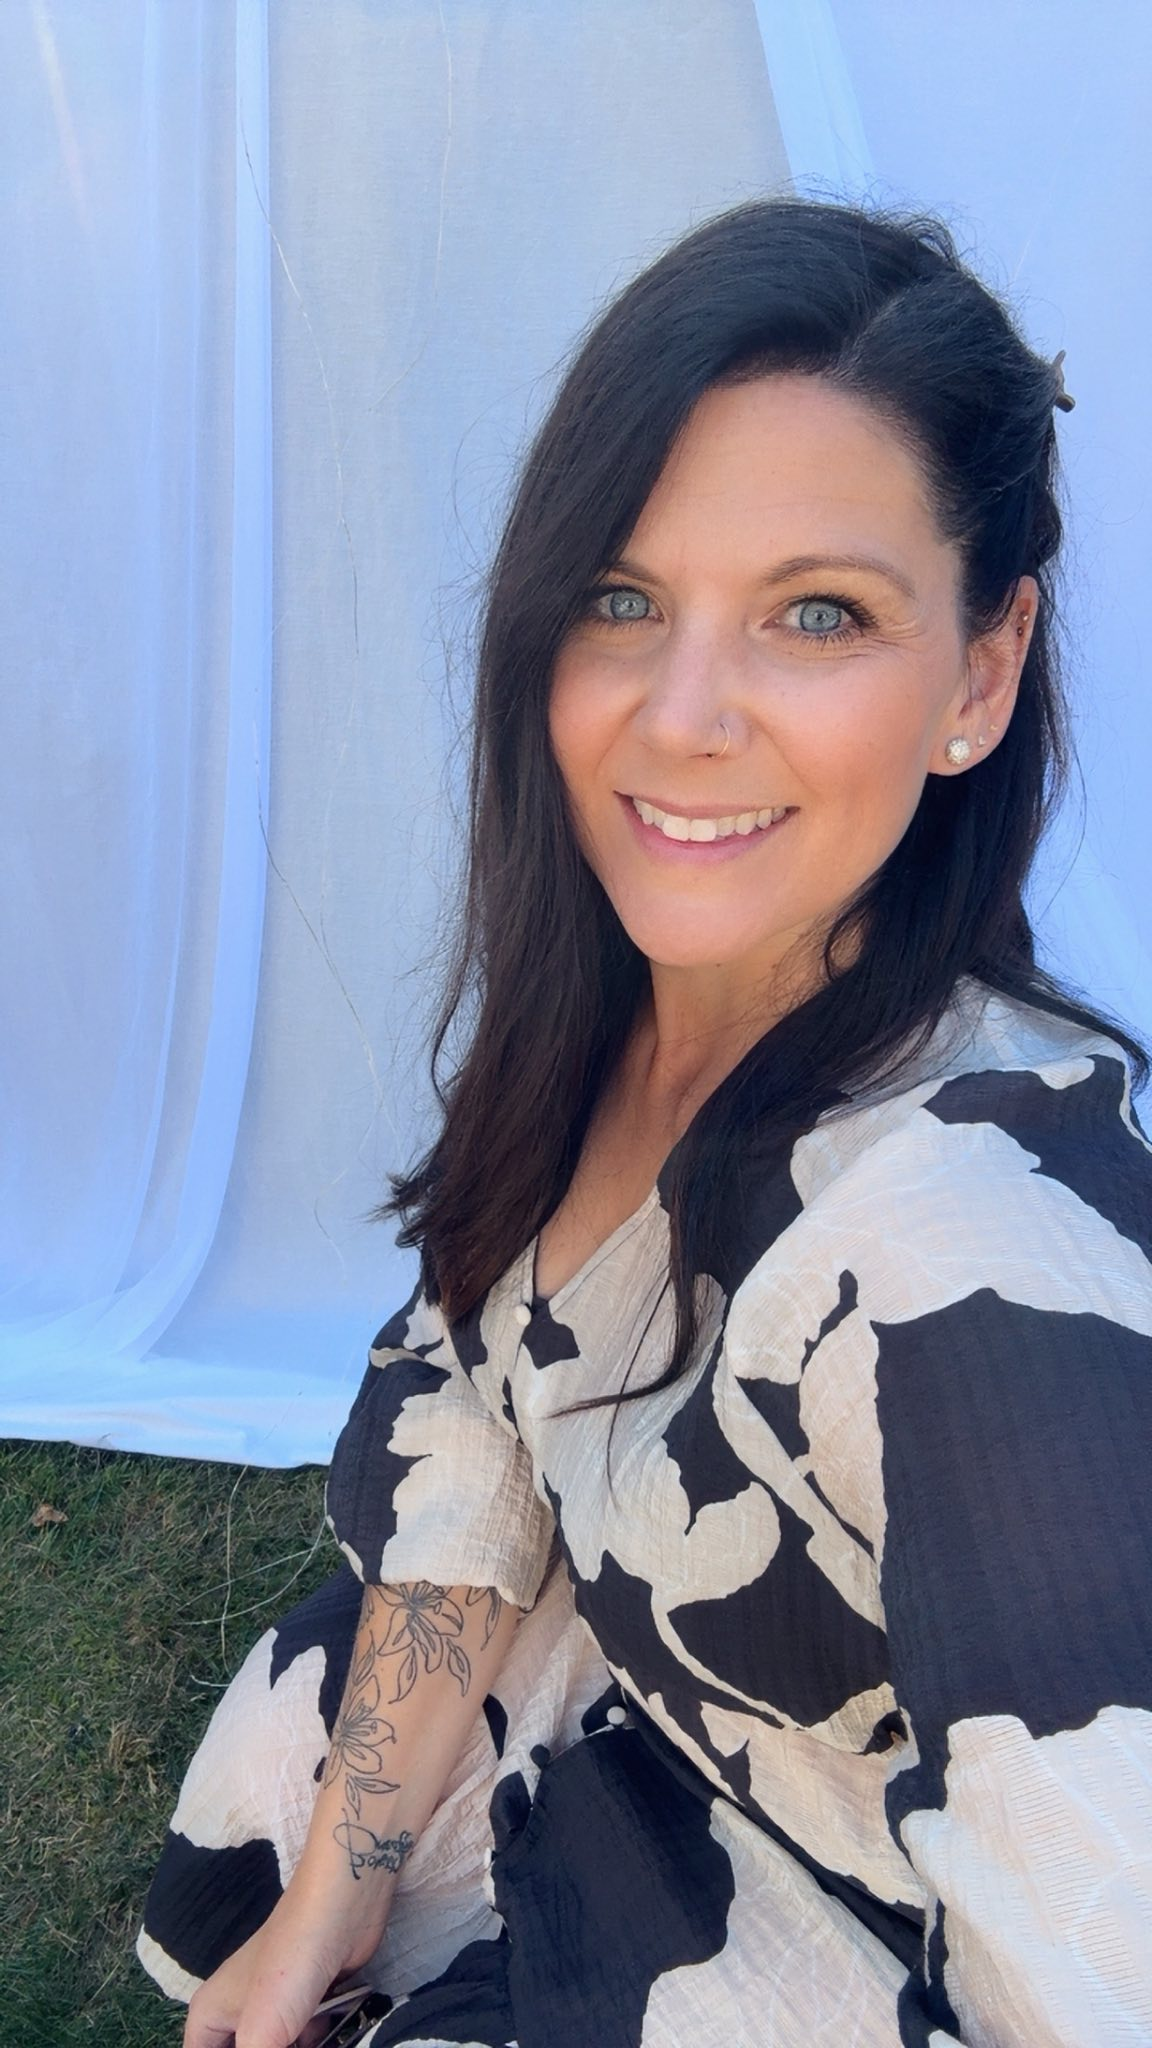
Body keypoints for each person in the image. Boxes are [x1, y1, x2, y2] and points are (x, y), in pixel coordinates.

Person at [137, 197, 1152, 2048]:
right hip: (638, 1709)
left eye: (816, 614)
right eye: (624, 596)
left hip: (834, 1934)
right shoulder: (609, 1005)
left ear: (981, 677)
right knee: (251, 1883)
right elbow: (482, 1418)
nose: (679, 717)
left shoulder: (973, 1266)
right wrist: (326, 1908)